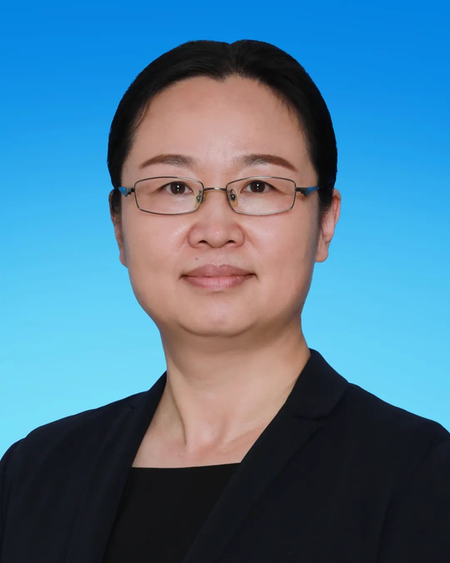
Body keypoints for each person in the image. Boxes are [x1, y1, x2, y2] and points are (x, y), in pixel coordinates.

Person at [1, 39, 449, 563]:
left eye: (258, 185)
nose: (215, 230)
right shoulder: (33, 474)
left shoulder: (420, 476)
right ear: (119, 228)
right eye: (173, 187)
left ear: (326, 221)